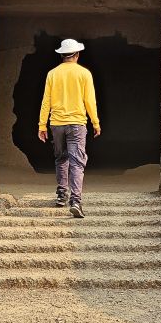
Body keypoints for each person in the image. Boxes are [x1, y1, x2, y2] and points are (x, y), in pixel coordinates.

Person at [38, 38, 101, 218]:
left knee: (61, 158)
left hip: (56, 124)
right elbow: (90, 100)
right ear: (77, 55)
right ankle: (75, 201)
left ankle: (61, 194)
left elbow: (46, 101)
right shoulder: (84, 73)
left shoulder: (52, 74)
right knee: (77, 162)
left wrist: (42, 125)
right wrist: (95, 122)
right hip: (77, 124)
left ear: (62, 55)